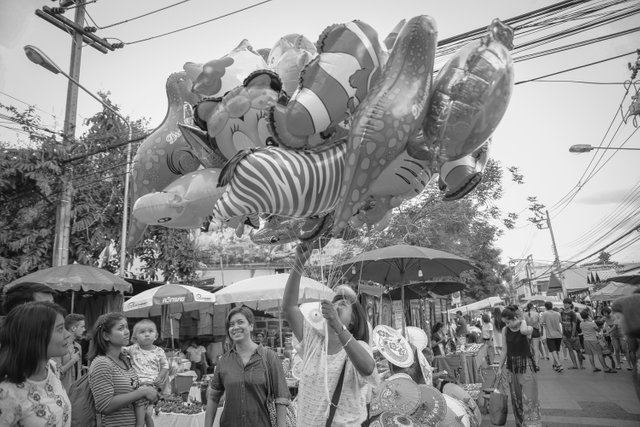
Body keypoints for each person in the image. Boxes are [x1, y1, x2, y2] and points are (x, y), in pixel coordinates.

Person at [283, 243, 376, 426]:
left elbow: (368, 369)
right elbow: (289, 308)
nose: (338, 303)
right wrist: (299, 262)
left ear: (353, 321)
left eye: (345, 302)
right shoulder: (313, 340)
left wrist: (337, 325)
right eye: (336, 300)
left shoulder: (359, 348)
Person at [204, 306, 290, 427]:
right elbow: (213, 397)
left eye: (240, 322)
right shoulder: (224, 361)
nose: (235, 327)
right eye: (231, 324)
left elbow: (281, 398)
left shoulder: (269, 357)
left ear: (251, 326)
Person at [0, 301, 72, 426]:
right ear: (35, 336)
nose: (68, 334)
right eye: (60, 329)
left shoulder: (51, 368)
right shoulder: (6, 393)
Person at [89, 312, 159, 427]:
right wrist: (142, 392)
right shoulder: (102, 363)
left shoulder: (125, 360)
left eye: (127, 327)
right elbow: (104, 405)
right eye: (121, 328)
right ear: (106, 336)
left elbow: (131, 392)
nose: (127, 331)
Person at [498, 307, 541, 427]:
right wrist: (499, 367)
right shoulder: (505, 330)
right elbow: (504, 350)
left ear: (516, 318)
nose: (507, 325)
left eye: (509, 321)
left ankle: (532, 424)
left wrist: (522, 321)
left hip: (526, 366)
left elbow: (523, 332)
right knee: (516, 398)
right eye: (505, 323)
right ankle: (521, 423)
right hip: (512, 367)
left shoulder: (527, 328)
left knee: (529, 397)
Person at [124, 319, 169, 427]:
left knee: (141, 407)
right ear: (135, 338)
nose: (147, 334)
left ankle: (139, 425)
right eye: (142, 332)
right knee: (147, 414)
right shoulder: (133, 349)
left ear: (156, 336)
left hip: (152, 384)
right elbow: (119, 349)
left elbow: (165, 366)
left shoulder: (159, 351)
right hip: (136, 384)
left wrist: (160, 376)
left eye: (150, 331)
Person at [53, 313, 85, 392]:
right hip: (62, 393)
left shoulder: (78, 347)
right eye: (82, 327)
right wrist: (72, 361)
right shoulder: (58, 347)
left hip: (76, 394)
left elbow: (79, 371)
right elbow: (56, 374)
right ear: (73, 328)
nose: (84, 329)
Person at [539, 301, 564, 372]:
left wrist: (545, 324)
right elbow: (560, 321)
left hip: (550, 335)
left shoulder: (545, 314)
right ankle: (555, 365)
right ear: (552, 306)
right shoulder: (558, 313)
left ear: (545, 307)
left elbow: (540, 322)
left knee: (553, 350)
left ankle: (559, 364)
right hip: (558, 334)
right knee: (556, 350)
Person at [560, 298, 583, 369]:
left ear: (570, 304)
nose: (565, 305)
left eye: (566, 303)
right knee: (570, 350)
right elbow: (562, 323)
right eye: (564, 303)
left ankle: (581, 365)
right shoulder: (562, 313)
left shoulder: (572, 313)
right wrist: (563, 334)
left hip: (574, 335)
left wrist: (572, 335)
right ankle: (575, 365)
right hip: (565, 335)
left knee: (578, 350)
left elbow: (574, 324)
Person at [523, 303, 541, 370]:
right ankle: (536, 365)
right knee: (536, 348)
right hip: (535, 331)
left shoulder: (524, 314)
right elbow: (540, 322)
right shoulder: (536, 313)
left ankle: (530, 363)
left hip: (527, 331)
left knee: (528, 348)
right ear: (532, 307)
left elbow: (523, 324)